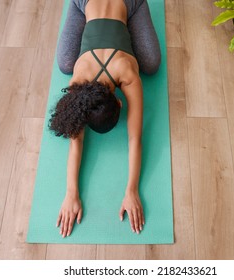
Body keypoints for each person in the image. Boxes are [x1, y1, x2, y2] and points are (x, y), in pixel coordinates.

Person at [49, 0, 161, 238]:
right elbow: (77, 141)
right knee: (65, 64)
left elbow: (135, 139)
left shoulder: (128, 73)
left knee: (151, 64)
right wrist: (70, 194)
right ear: (118, 100)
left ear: (119, 101)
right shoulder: (79, 85)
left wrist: (132, 191)